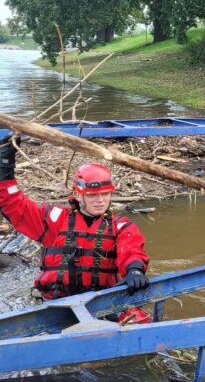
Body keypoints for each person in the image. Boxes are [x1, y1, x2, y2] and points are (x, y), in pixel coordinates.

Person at [0, 137, 151, 324]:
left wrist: (135, 271)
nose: (100, 200)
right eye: (93, 195)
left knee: (141, 320)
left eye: (105, 194)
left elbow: (131, 250)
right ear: (78, 194)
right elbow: (12, 203)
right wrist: (5, 165)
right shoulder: (54, 220)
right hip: (57, 305)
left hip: (102, 303)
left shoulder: (121, 227)